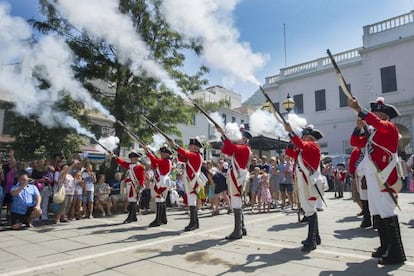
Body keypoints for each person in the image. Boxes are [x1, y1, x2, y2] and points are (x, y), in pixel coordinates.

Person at [348, 96, 406, 265]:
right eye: (375, 113)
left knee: (388, 212)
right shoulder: (372, 132)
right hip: (374, 176)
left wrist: (360, 110)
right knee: (378, 213)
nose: (376, 116)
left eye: (379, 114)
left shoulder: (390, 127)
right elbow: (355, 143)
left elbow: (380, 125)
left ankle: (397, 253)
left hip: (386, 176)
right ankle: (384, 247)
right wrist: (358, 128)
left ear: (386, 116)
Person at [285, 124, 324, 253]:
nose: (303, 138)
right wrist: (291, 140)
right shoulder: (304, 149)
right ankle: (315, 237)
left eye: (305, 136)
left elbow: (300, 144)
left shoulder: (312, 145)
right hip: (304, 180)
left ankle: (311, 241)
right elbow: (290, 152)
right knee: (310, 209)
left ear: (311, 138)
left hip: (308, 181)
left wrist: (291, 132)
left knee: (309, 209)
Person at [217, 125, 252, 239]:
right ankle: (242, 228)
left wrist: (223, 134)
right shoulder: (239, 147)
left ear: (245, 139)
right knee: (236, 202)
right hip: (235, 176)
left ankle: (237, 232)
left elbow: (231, 148)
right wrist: (225, 137)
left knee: (236, 203)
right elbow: (225, 150)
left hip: (237, 176)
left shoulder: (244, 148)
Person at [169, 137, 206, 231]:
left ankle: (193, 223)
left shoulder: (196, 155)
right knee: (191, 200)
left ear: (196, 147)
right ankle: (195, 222)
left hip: (192, 181)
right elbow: (181, 158)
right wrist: (175, 149)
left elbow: (185, 154)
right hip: (191, 180)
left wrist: (174, 145)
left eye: (191, 145)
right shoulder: (193, 155)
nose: (189, 146)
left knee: (192, 201)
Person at [349, 118, 371, 228]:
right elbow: (354, 142)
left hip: (376, 168)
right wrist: (358, 128)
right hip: (364, 170)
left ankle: (377, 219)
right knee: (364, 195)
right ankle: (367, 218)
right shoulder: (363, 140)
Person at [113, 150, 146, 224]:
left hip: (135, 186)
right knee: (132, 201)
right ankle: (133, 217)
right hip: (129, 185)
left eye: (134, 158)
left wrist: (140, 185)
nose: (132, 159)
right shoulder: (130, 165)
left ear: (137, 158)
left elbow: (142, 177)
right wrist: (115, 157)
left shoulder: (140, 167)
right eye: (131, 158)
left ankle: (130, 217)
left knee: (132, 202)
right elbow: (122, 162)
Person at [145, 145, 172, 227]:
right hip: (162, 182)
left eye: (163, 153)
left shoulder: (166, 161)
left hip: (161, 183)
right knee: (162, 200)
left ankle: (158, 220)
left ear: (167, 154)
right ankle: (163, 218)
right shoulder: (164, 161)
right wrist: (149, 153)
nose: (161, 154)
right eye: (161, 153)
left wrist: (149, 153)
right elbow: (154, 165)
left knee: (159, 200)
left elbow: (155, 161)